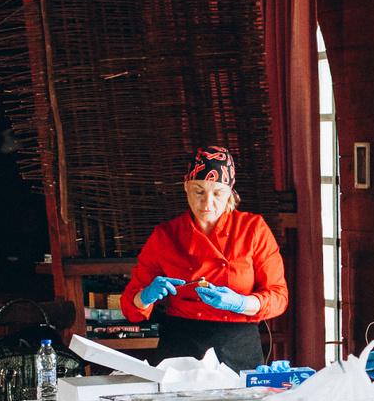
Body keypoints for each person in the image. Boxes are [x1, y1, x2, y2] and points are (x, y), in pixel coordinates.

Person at [120, 145, 288, 371]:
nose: (207, 203)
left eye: (217, 193)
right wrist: (145, 296)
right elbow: (130, 308)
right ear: (186, 187)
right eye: (199, 191)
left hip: (239, 345)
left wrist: (241, 303)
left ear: (230, 191)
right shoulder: (165, 235)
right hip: (181, 346)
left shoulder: (253, 229)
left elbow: (278, 297)